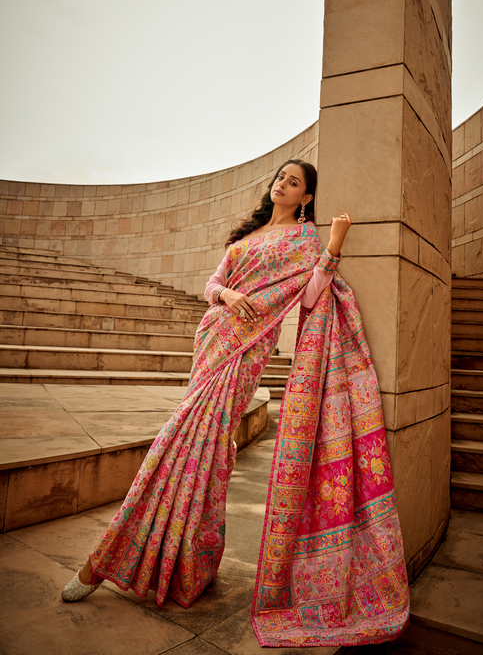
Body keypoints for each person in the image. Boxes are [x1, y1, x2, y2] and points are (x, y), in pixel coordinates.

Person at [61, 159, 409, 648]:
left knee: (190, 446)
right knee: (192, 446)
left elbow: (309, 298)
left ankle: (107, 561)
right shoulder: (245, 238)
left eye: (294, 182)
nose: (283, 184)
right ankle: (170, 555)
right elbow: (210, 286)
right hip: (213, 339)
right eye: (281, 178)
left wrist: (334, 245)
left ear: (306, 198)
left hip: (246, 351)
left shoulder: (305, 242)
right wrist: (224, 293)